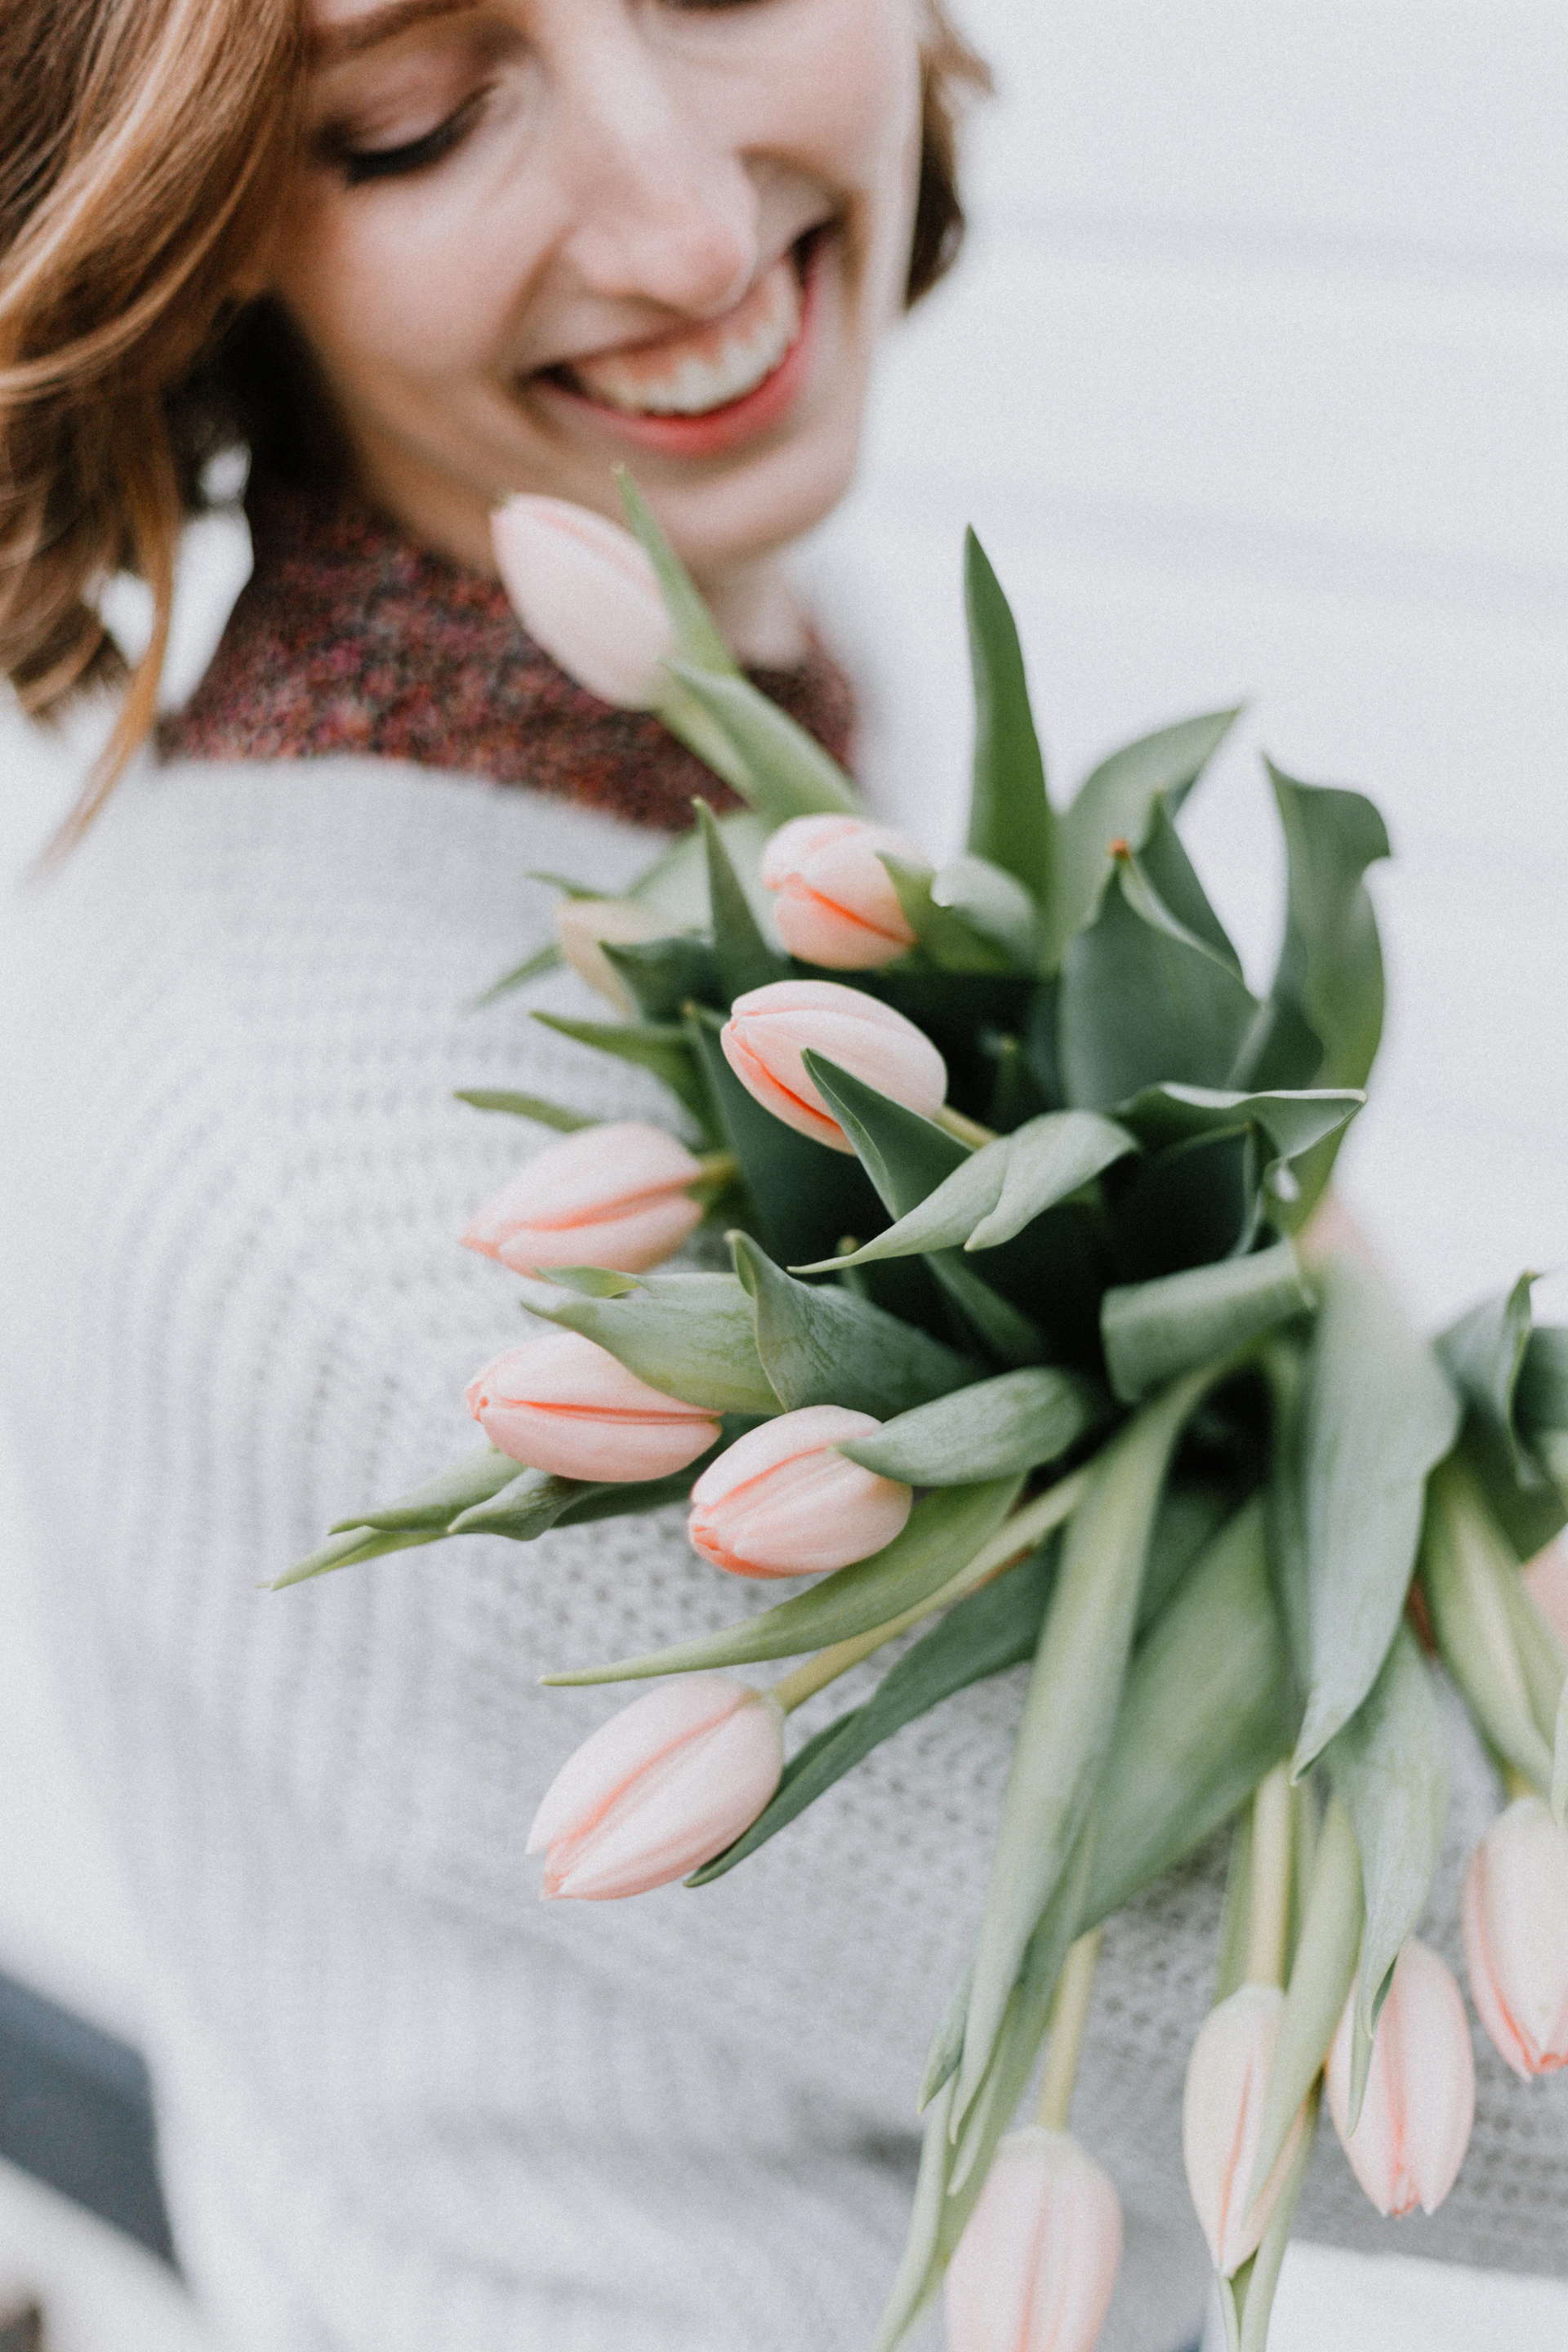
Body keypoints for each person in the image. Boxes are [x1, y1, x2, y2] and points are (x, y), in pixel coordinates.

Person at [0, 6, 1562, 2350]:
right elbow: (1455, 2056)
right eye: (416, 112)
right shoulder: (359, 1179)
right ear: (196, 218)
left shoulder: (700, 695)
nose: (696, 225)